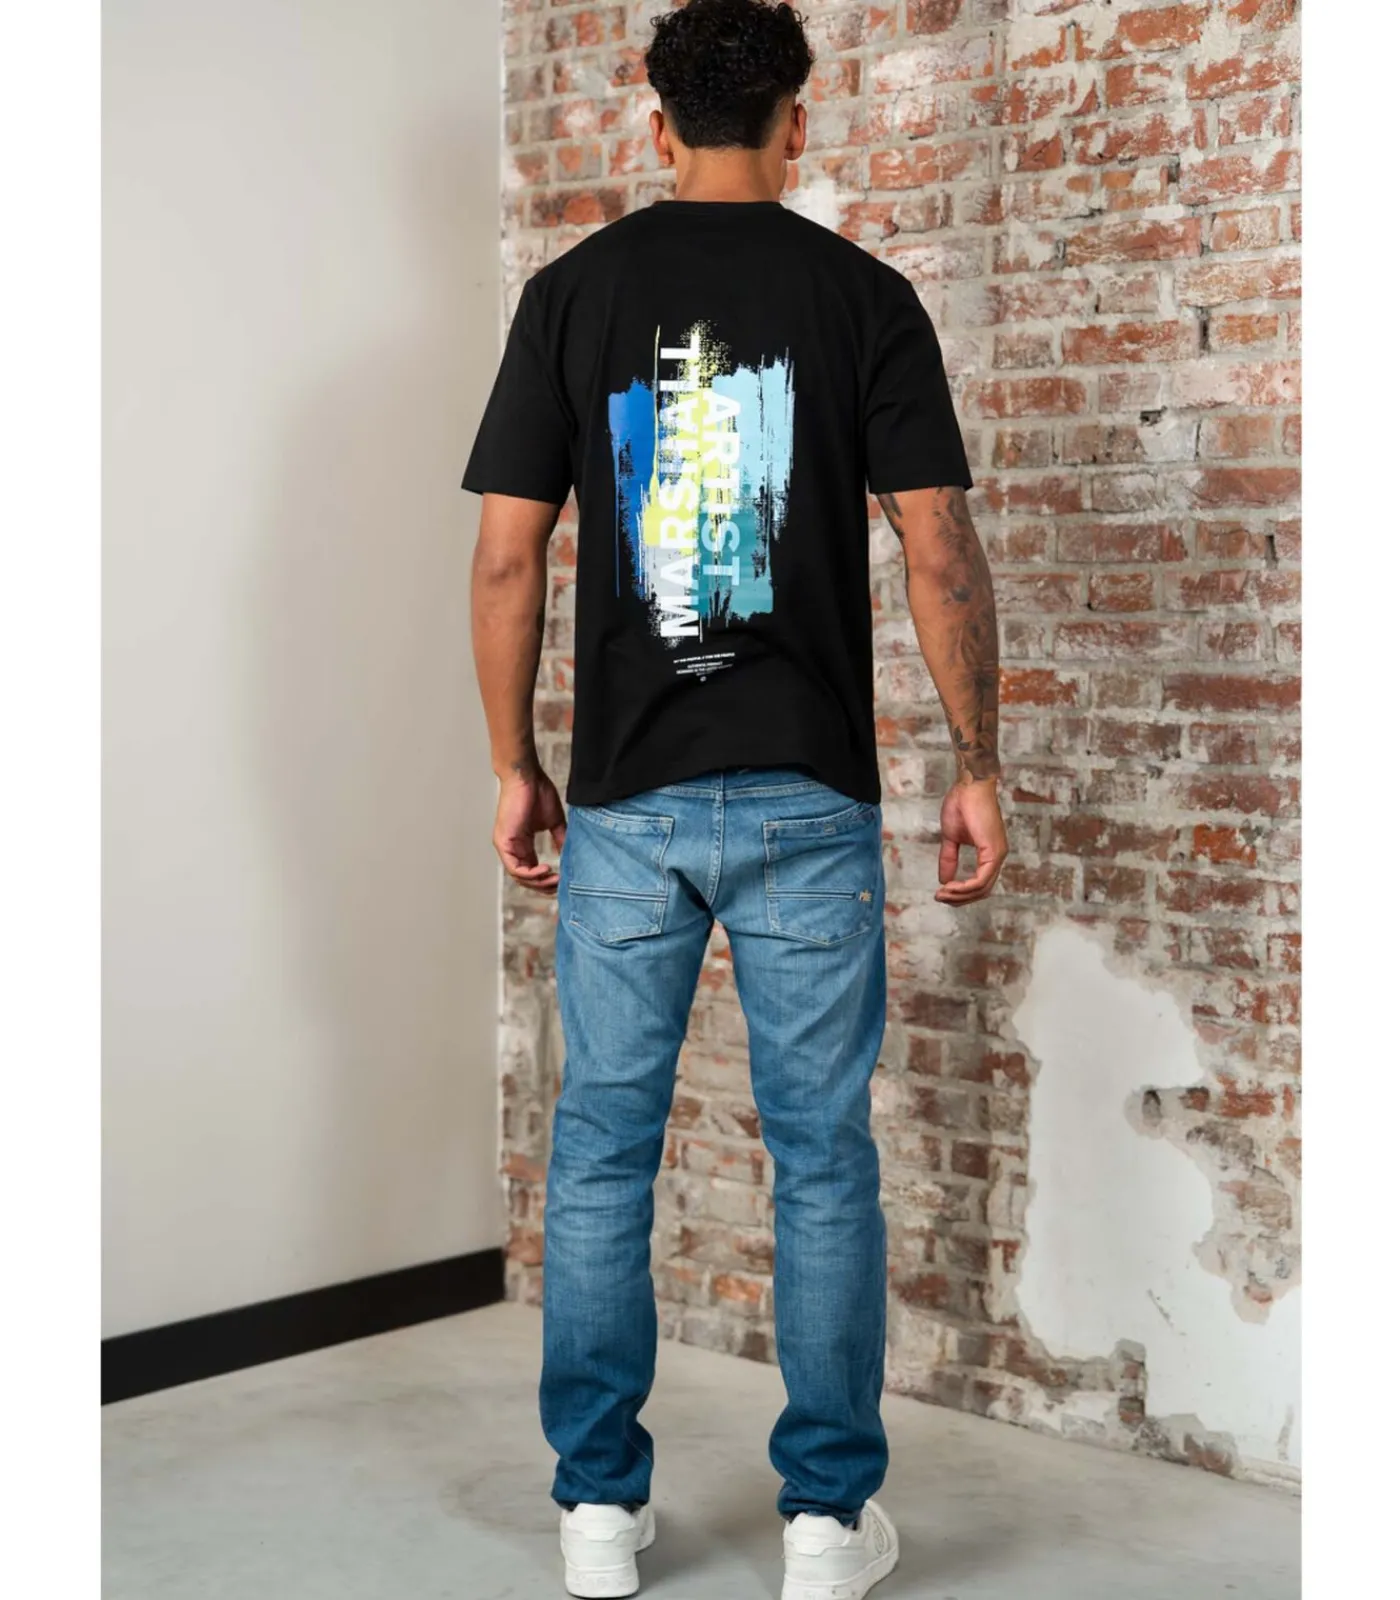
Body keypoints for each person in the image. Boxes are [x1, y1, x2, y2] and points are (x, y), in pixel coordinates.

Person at [463, 2, 1006, 1594]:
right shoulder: (864, 298)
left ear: (656, 126)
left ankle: (596, 1513)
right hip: (804, 796)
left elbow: (505, 558)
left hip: (628, 798)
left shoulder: (572, 296)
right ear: (796, 122)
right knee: (823, 1156)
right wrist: (979, 765)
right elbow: (938, 547)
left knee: (600, 1151)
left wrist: (512, 762)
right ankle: (826, 1523)